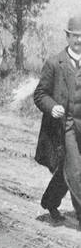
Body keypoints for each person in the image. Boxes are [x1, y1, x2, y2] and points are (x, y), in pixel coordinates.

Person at [34, 15, 81, 226]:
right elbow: (40, 94)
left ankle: (50, 201)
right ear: (67, 36)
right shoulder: (54, 63)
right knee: (75, 169)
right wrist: (52, 107)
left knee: (66, 168)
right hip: (66, 126)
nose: (79, 41)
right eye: (75, 36)